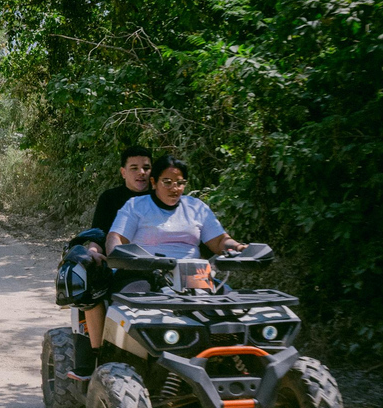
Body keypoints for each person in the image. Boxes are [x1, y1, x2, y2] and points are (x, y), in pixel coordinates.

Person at [67, 154, 248, 381]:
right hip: (142, 271)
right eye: (167, 182)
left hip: (194, 274)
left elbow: (220, 241)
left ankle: (226, 363)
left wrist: (236, 247)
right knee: (130, 313)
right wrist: (119, 254)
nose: (175, 188)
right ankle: (117, 364)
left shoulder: (197, 208)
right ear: (154, 183)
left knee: (232, 310)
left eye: (180, 183)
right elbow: (116, 238)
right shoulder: (135, 206)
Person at [91, 145, 153, 234]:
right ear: (123, 172)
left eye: (146, 168)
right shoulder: (109, 198)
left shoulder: (160, 197)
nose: (141, 173)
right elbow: (97, 236)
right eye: (134, 168)